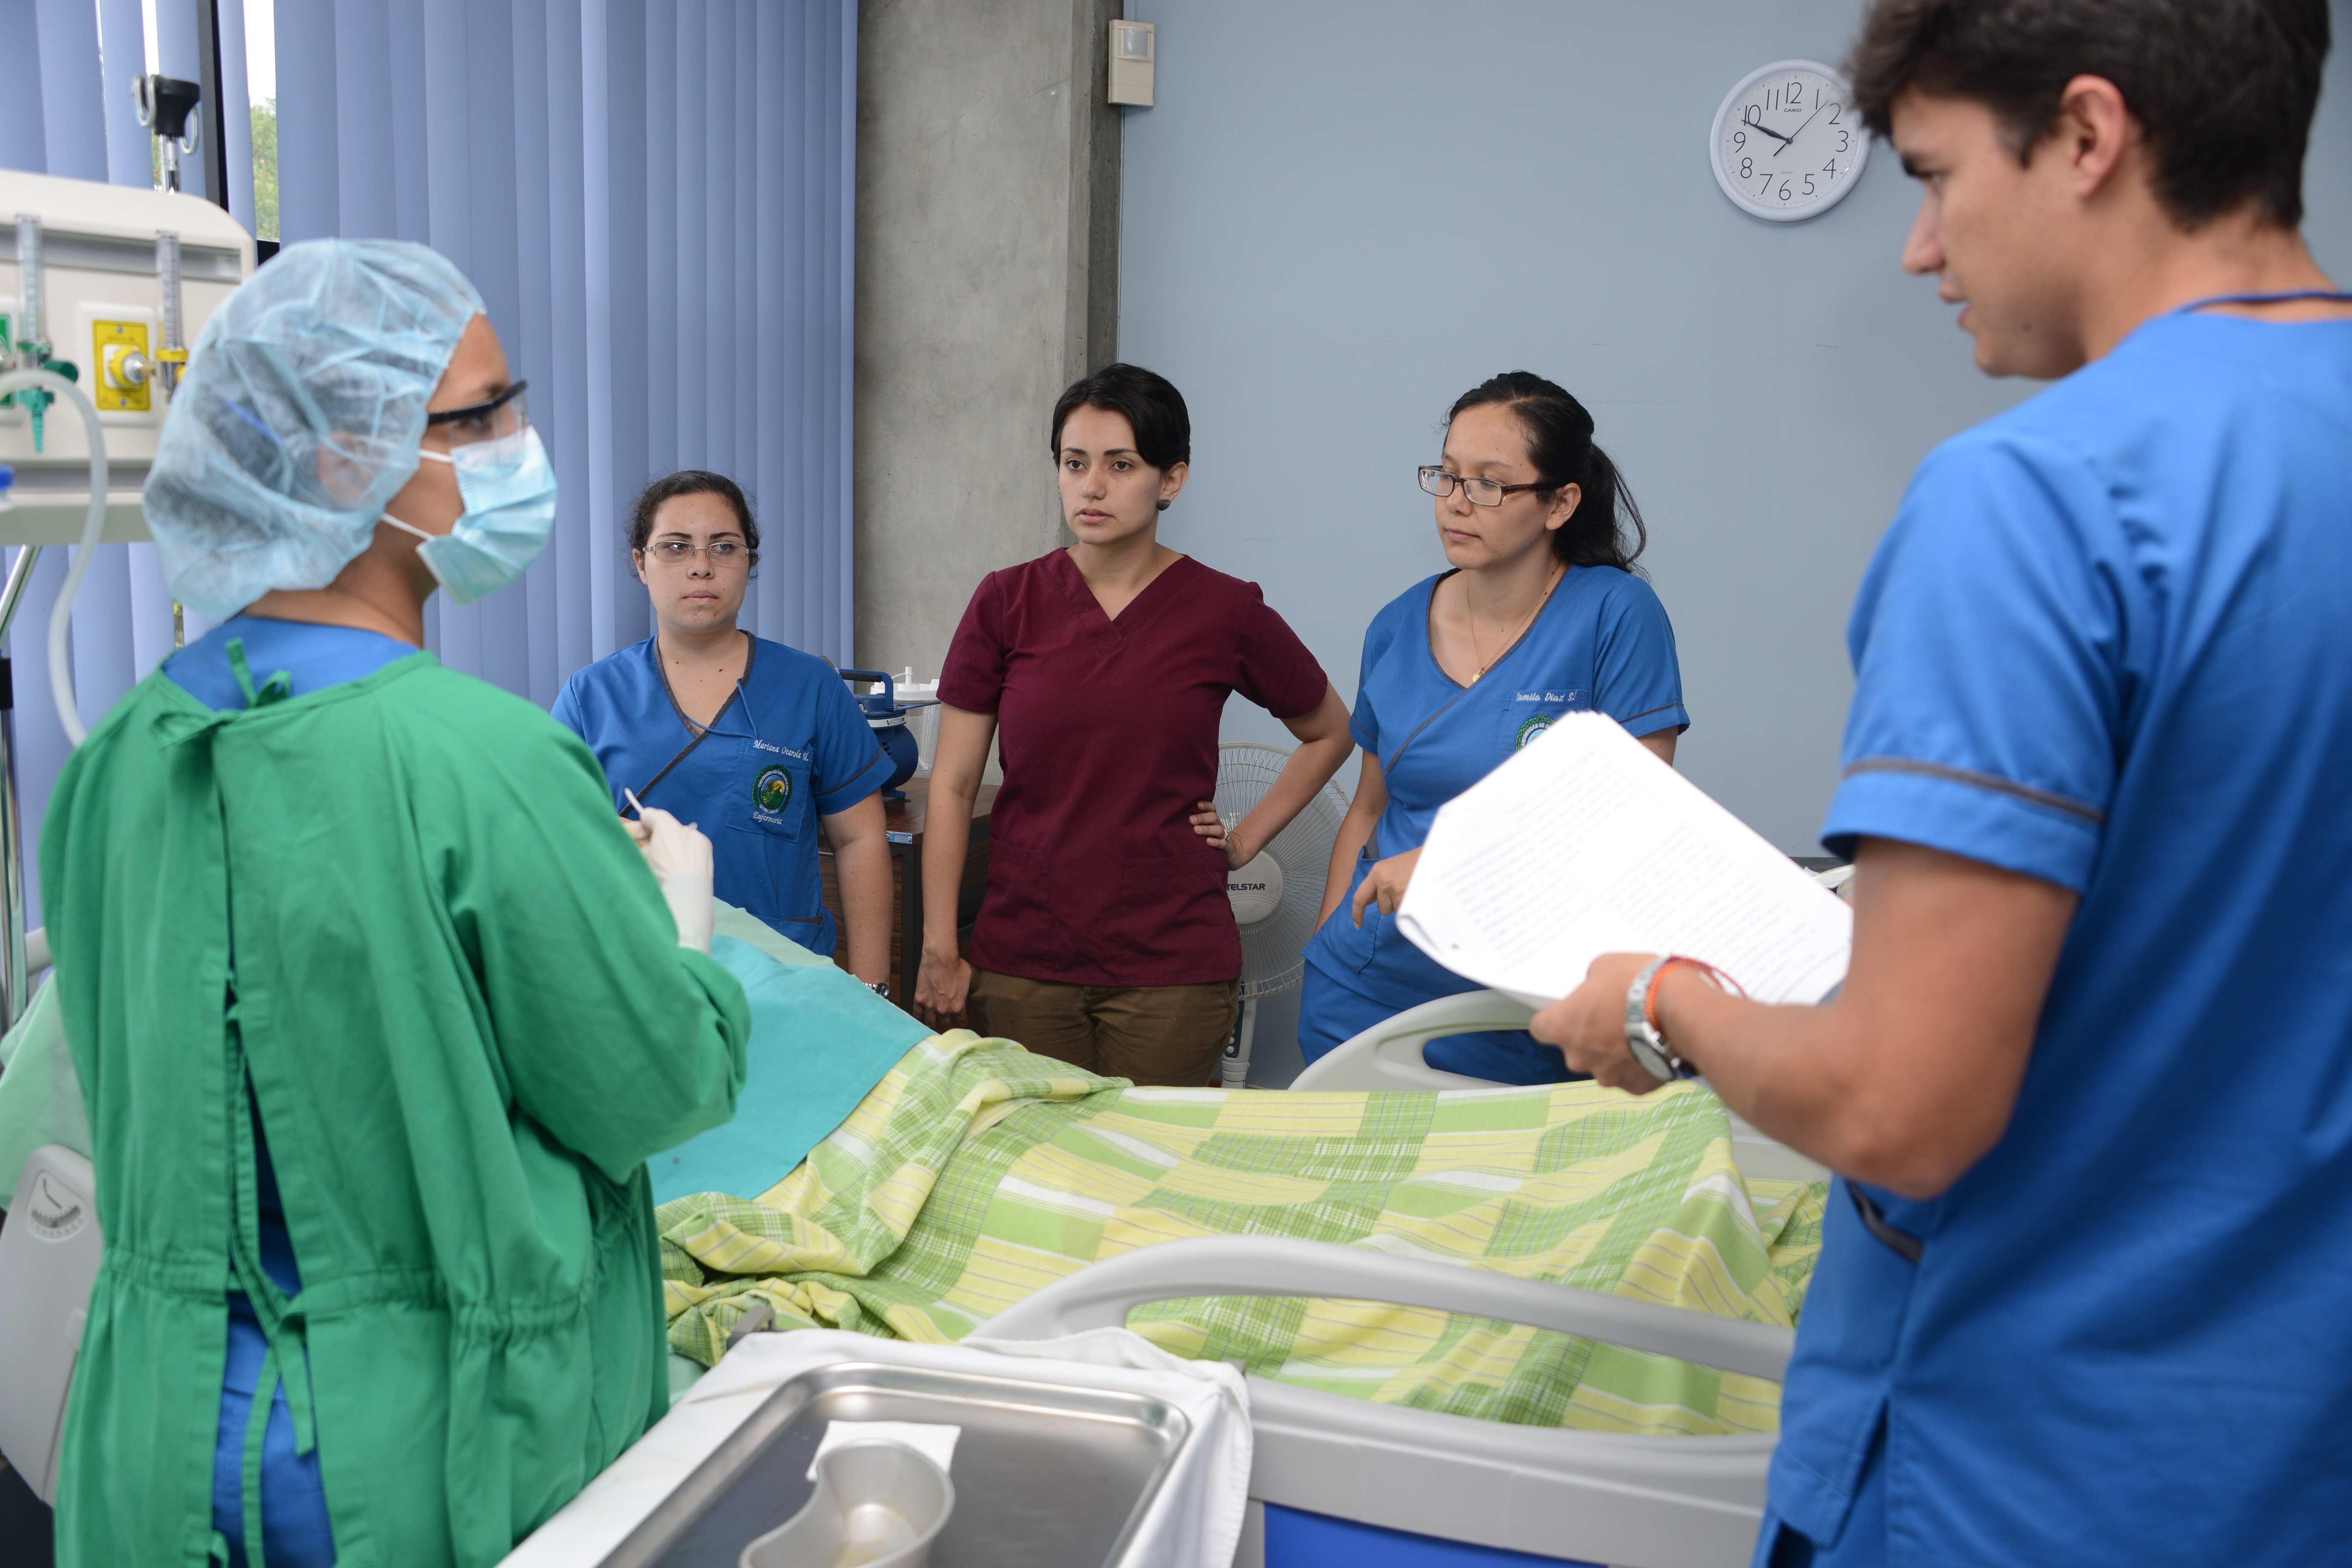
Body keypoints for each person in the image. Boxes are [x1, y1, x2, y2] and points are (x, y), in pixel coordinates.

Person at [1528, 3, 2350, 1564]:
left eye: (1930, 175)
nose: (1916, 251)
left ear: (2088, 137)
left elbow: (1901, 1108)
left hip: (2042, 1464)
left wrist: (1659, 1000)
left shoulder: (2039, 503)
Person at [43, 240, 751, 1568]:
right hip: (411, 1462)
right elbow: (650, 1081)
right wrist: (683, 929)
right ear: (336, 461)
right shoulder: (481, 759)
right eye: (478, 416)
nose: (517, 443)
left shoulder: (113, 759)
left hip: (148, 1444)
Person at [911, 363, 1353, 1084]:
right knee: (1036, 1178)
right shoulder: (1006, 602)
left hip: (1172, 968)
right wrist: (939, 944)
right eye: (1075, 463)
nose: (1092, 487)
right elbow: (955, 787)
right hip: (1025, 960)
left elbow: (1331, 731)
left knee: (1149, 1179)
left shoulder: (1224, 610)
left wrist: (1244, 839)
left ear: (1170, 479)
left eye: (1122, 466)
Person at [1297, 373, 1686, 1084]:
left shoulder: (1615, 615)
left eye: (1489, 484)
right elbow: (1371, 808)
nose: (1456, 502)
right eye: (1446, 476)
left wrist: (1450, 870)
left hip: (1534, 1003)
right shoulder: (1395, 626)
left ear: (1560, 502)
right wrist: (1327, 938)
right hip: (1365, 993)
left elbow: (1636, 814)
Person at [553, 471, 894, 986]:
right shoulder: (590, 697)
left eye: (723, 547)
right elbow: (556, 850)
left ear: (748, 563)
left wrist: (874, 991)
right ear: (640, 563)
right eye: (675, 547)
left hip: (787, 979)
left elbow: (861, 840)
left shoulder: (810, 686)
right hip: (637, 981)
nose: (700, 567)